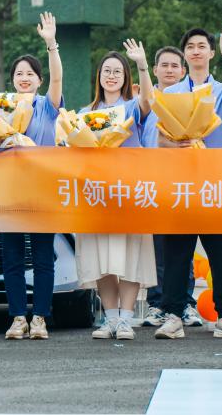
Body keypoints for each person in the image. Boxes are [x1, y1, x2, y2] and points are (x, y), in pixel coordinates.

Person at [153, 28, 222, 340]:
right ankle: (173, 315)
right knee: (176, 253)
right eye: (191, 46)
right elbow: (160, 139)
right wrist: (176, 145)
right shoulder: (170, 93)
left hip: (214, 182)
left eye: (202, 46)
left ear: (210, 53)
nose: (196, 51)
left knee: (221, 252)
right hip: (181, 182)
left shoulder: (219, 89)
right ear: (185, 55)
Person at [78, 41, 157, 341]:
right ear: (98, 76)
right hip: (98, 194)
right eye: (106, 71)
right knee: (102, 259)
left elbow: (148, 101)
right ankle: (110, 319)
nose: (111, 76)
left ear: (125, 78)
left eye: (117, 72)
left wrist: (142, 65)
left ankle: (126, 319)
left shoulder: (132, 107)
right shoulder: (85, 113)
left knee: (130, 256)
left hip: (129, 192)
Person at [0, 13, 62, 341]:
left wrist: (51, 44)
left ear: (39, 80)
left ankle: (40, 318)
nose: (24, 78)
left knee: (43, 258)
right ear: (12, 80)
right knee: (12, 259)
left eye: (30, 74)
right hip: (9, 193)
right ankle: (18, 317)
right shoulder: (0, 109)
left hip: (42, 191)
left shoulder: (48, 106)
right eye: (19, 74)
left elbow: (58, 79)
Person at [140, 46, 199, 330]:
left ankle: (185, 303)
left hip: (183, 182)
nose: (169, 70)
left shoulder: (190, 100)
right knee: (157, 248)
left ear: (183, 71)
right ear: (154, 70)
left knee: (183, 247)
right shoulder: (145, 102)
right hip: (152, 181)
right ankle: (158, 304)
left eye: (175, 66)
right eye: (164, 65)